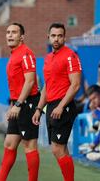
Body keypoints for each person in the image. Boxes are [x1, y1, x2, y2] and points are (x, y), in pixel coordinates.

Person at [32, 23, 82, 181]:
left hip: (64, 106)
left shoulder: (71, 55)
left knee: (56, 148)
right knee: (61, 149)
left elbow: (75, 85)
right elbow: (47, 86)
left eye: (60, 36)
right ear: (48, 37)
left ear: (64, 38)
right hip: (51, 106)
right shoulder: (48, 58)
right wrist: (39, 109)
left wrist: (61, 106)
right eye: (53, 36)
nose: (56, 39)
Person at [0, 23, 40, 181]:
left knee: (29, 145)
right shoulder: (14, 54)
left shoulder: (26, 53)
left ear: (22, 36)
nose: (10, 35)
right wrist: (12, 104)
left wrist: (18, 104)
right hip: (18, 103)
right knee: (9, 143)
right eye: (8, 32)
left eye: (14, 32)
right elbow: (18, 84)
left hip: (27, 104)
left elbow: (29, 82)